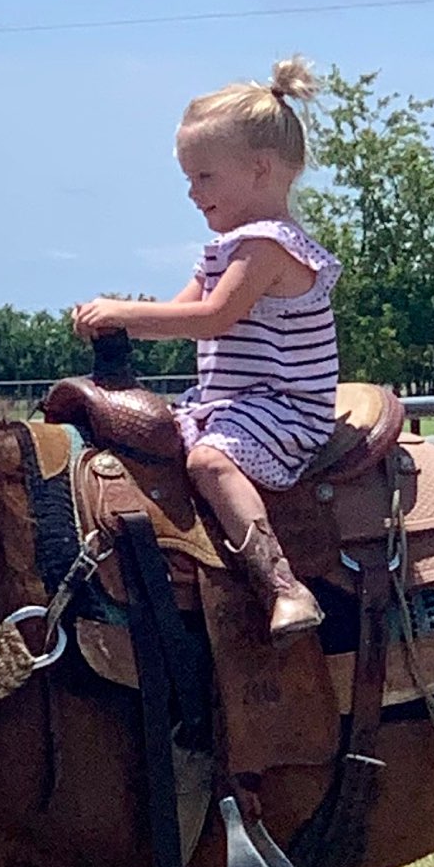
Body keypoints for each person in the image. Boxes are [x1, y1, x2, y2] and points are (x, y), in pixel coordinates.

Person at [73, 56, 338, 641]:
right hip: (231, 403)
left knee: (208, 462)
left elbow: (211, 318)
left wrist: (123, 312)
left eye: (205, 177)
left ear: (259, 169)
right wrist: (118, 323)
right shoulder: (226, 249)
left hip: (284, 407)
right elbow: (178, 315)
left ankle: (281, 583)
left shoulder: (270, 246)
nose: (193, 193)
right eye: (189, 179)